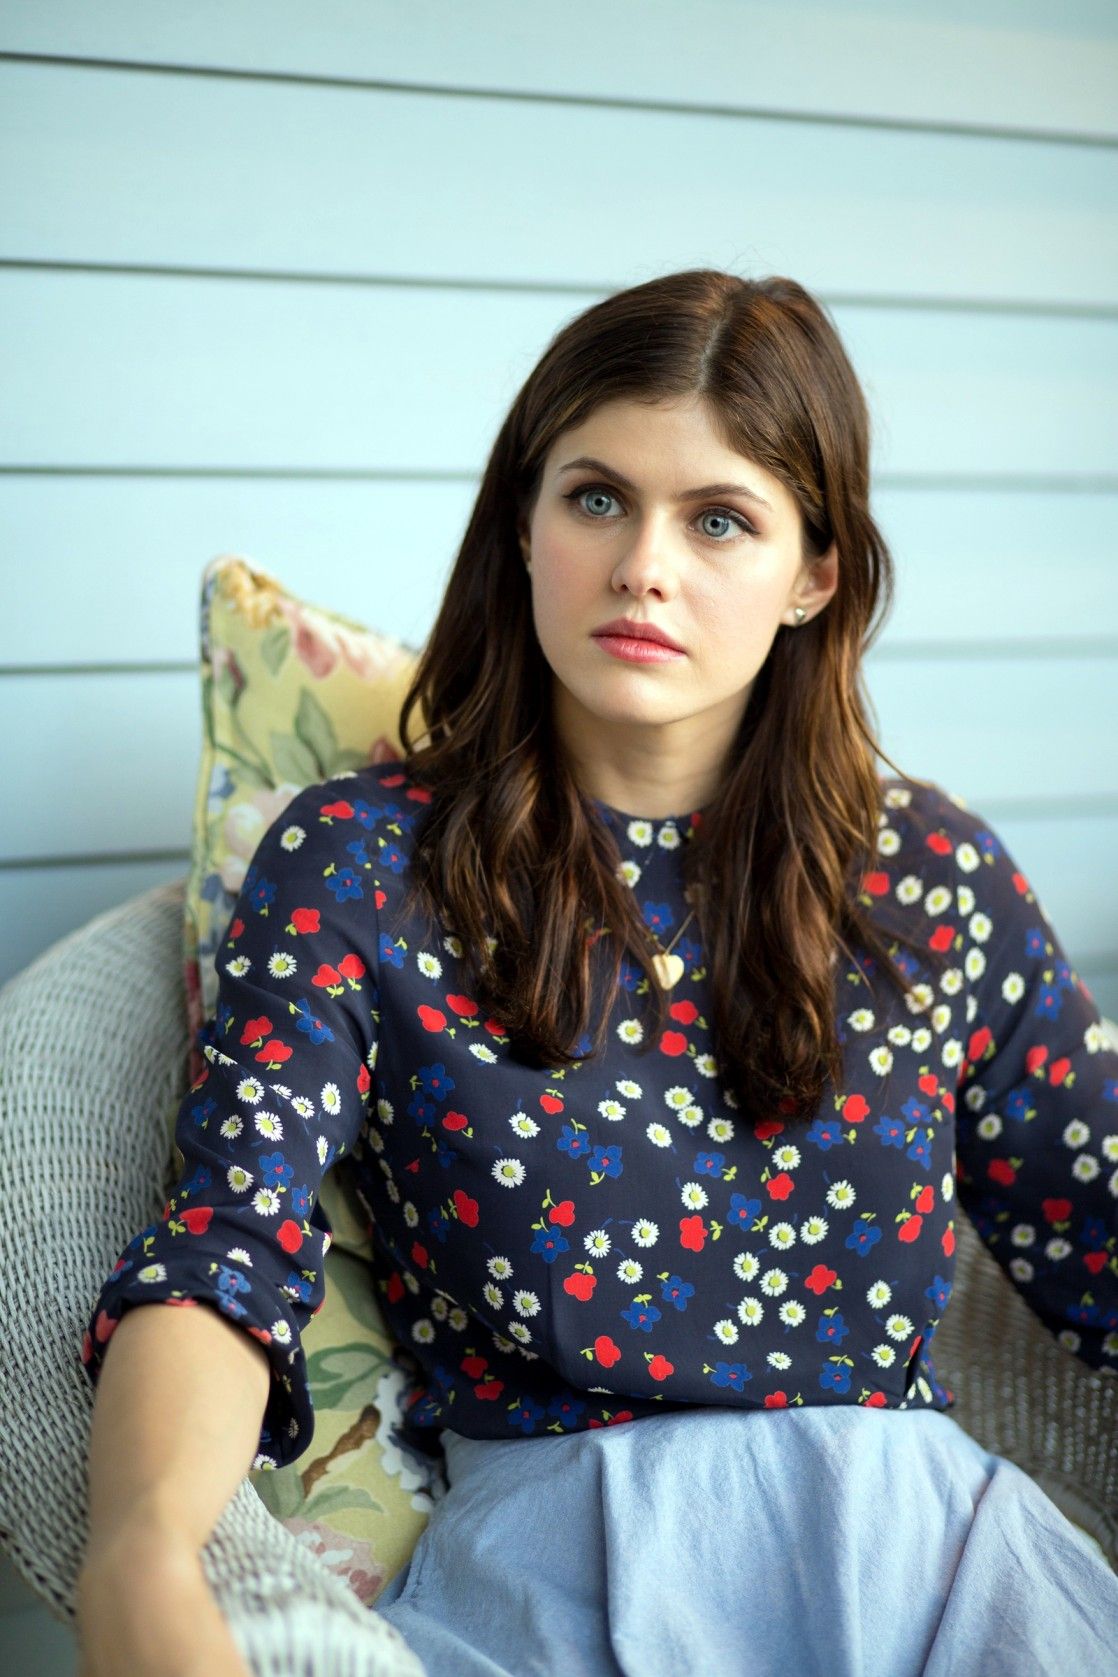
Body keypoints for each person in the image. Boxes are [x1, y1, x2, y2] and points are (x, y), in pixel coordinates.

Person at [76, 269, 1118, 1676]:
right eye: (597, 497)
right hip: (553, 1580)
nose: (643, 566)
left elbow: (1099, 1228)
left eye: (720, 519)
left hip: (942, 1571)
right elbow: (225, 1249)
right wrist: (140, 1553)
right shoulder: (360, 864)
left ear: (815, 574)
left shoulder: (932, 879)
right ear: (524, 521)